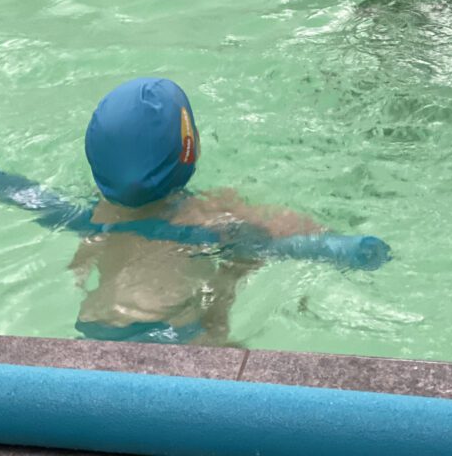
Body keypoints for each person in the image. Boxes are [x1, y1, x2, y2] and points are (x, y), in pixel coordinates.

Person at [72, 77, 323, 346]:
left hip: (96, 326)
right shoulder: (207, 212)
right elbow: (298, 234)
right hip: (176, 333)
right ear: (191, 149)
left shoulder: (95, 213)